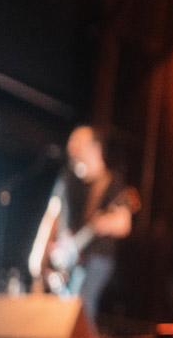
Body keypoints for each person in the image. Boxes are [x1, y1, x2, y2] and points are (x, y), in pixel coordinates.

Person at [28, 125, 138, 326]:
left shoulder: (112, 183)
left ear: (95, 148)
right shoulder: (67, 178)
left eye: (78, 143)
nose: (71, 148)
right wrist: (38, 255)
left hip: (96, 259)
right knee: (59, 317)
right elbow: (52, 215)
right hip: (66, 260)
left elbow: (124, 223)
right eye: (71, 143)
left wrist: (103, 223)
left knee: (82, 311)